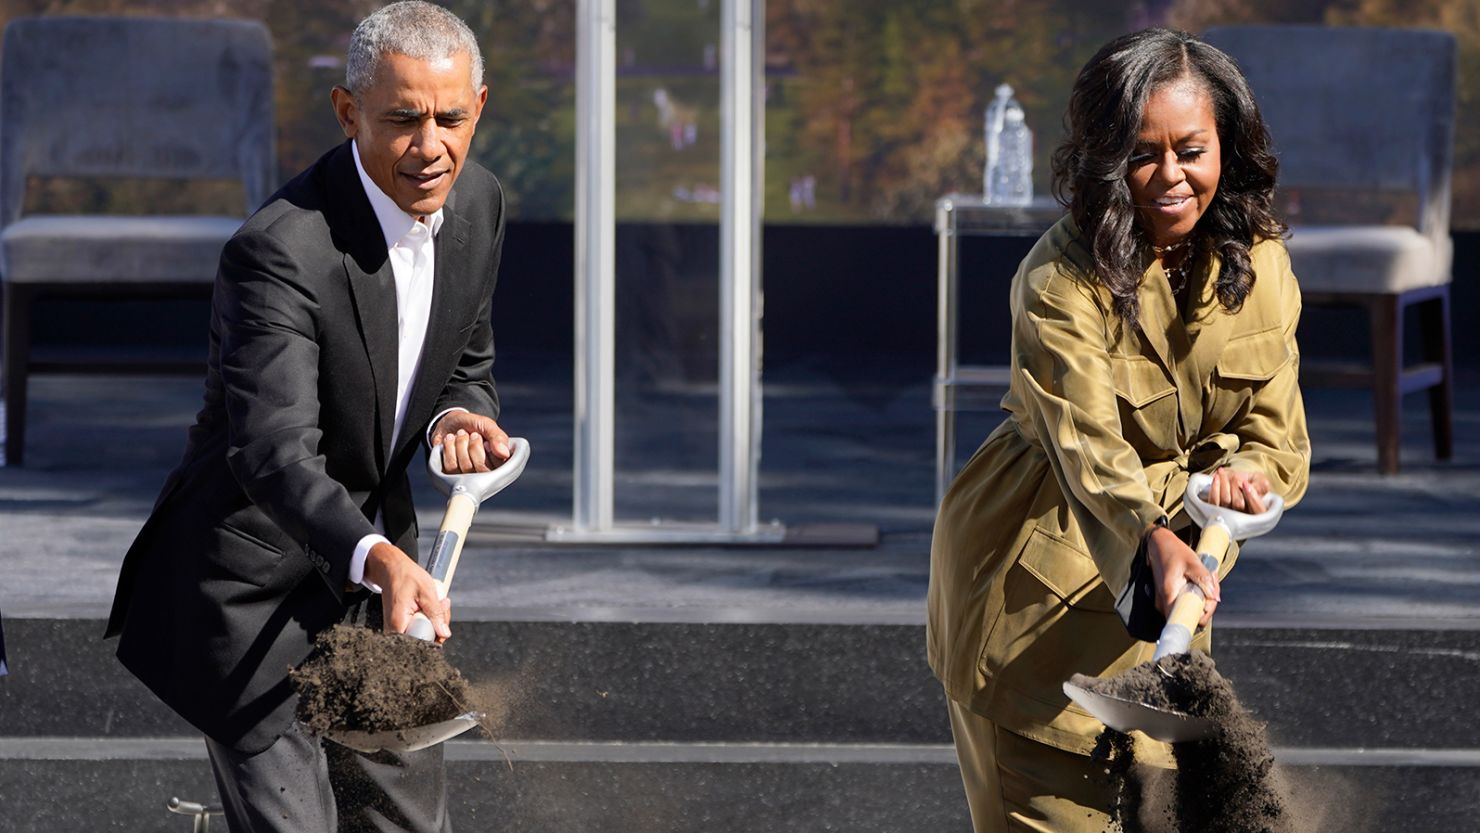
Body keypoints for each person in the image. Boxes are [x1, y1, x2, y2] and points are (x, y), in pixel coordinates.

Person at [105, 3, 510, 831]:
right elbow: (274, 453)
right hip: (248, 595)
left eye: (450, 117)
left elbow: (463, 358)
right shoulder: (277, 251)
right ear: (347, 111)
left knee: (404, 824)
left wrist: (458, 416)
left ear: (479, 106)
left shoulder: (479, 207)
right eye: (401, 119)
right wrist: (383, 559)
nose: (430, 145)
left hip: (369, 588)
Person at [926, 28, 1311, 831]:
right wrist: (1150, 532)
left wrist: (1244, 482)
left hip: (1167, 610)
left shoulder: (1262, 266)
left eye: (1192, 150)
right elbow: (1087, 447)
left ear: (1227, 149)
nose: (1171, 176)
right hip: (1032, 607)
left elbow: (1276, 438)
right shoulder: (1056, 280)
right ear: (1106, 161)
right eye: (1143, 154)